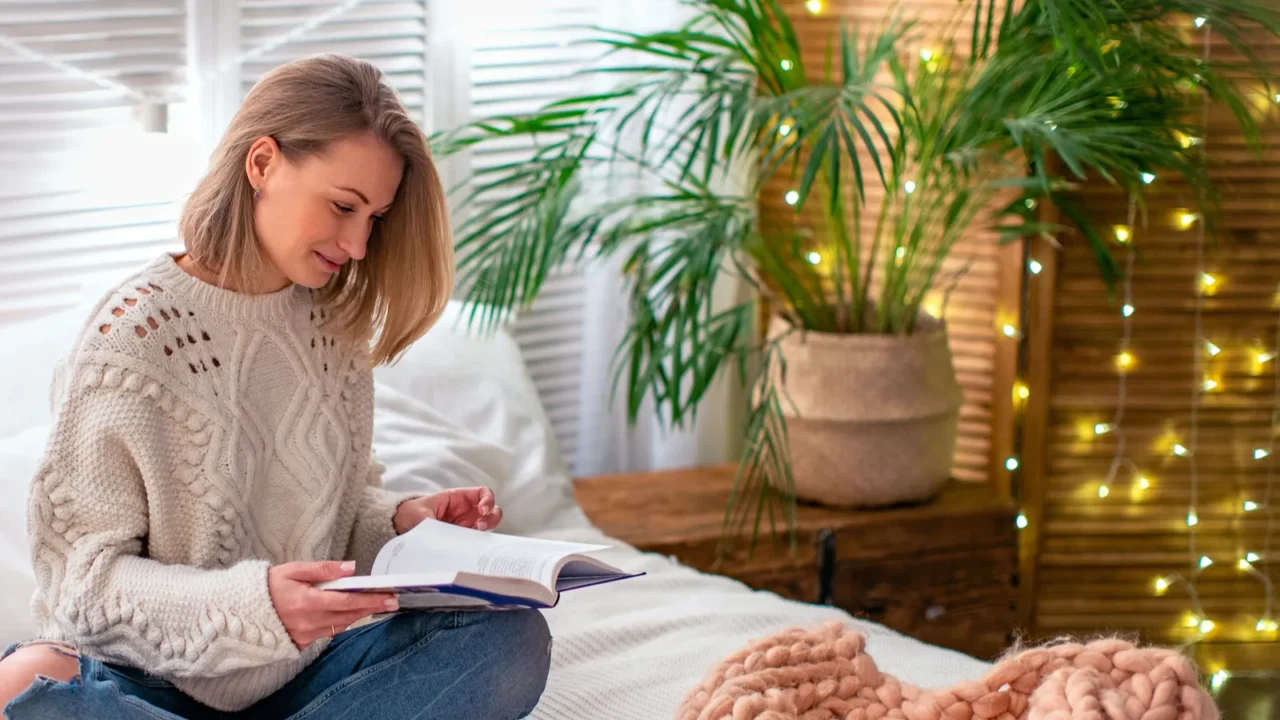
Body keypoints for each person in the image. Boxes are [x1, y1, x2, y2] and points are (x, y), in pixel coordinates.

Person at [0, 54, 551, 720]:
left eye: (372, 218)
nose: (356, 244)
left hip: (301, 683)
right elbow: (82, 589)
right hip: (151, 682)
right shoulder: (136, 335)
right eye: (344, 206)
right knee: (44, 693)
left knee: (509, 641)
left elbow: (331, 525)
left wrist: (401, 525)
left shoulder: (333, 331)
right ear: (262, 163)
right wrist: (256, 606)